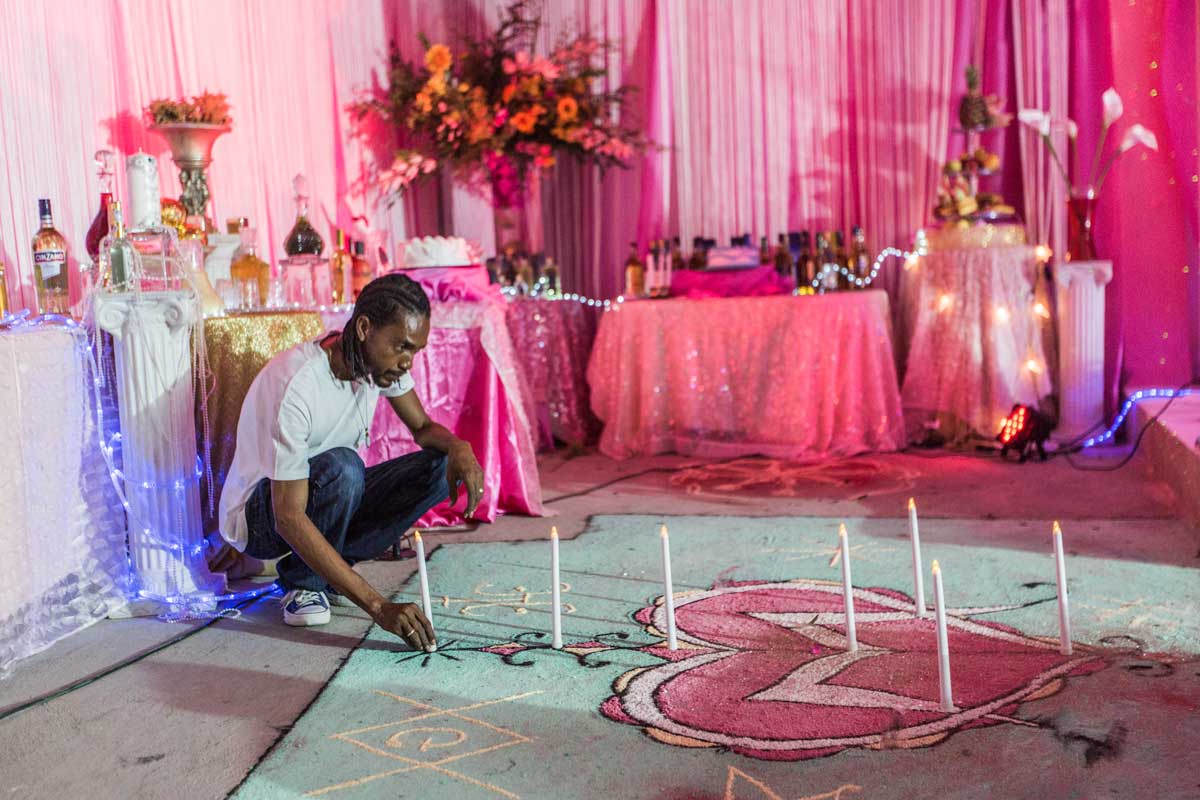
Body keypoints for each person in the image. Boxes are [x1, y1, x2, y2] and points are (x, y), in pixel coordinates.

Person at [217, 274, 484, 651]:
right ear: (364, 328)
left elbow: (423, 427)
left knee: (439, 468)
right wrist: (378, 606)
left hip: (328, 494)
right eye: (402, 347)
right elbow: (288, 516)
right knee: (345, 468)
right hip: (262, 517)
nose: (407, 362)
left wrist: (460, 448)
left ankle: (328, 570)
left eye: (415, 351)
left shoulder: (376, 364)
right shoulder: (298, 384)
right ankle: (303, 583)